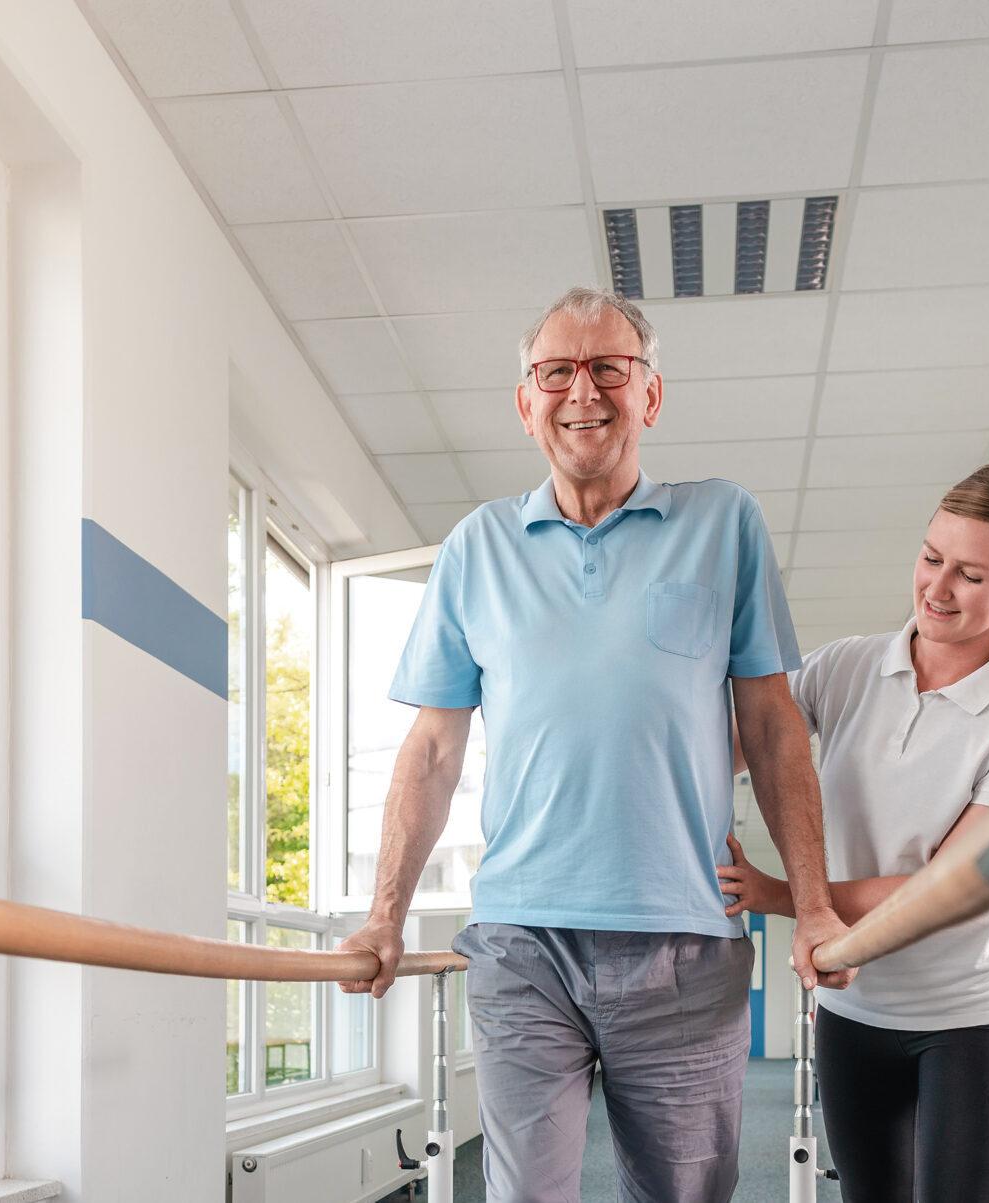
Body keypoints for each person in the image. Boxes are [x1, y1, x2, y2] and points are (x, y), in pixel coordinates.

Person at [334, 285, 852, 1203]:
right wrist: (385, 913)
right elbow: (431, 754)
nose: (584, 390)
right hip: (523, 941)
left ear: (649, 395)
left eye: (610, 367)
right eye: (557, 371)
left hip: (684, 943)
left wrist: (813, 904)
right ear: (526, 400)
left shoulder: (722, 523)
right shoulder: (474, 547)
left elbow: (772, 727)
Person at [717, 457, 989, 1203]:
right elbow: (727, 747)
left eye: (970, 574)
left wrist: (783, 895)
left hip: (970, 1021)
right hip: (853, 1013)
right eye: (931, 557)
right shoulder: (845, 668)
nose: (937, 586)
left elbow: (948, 887)